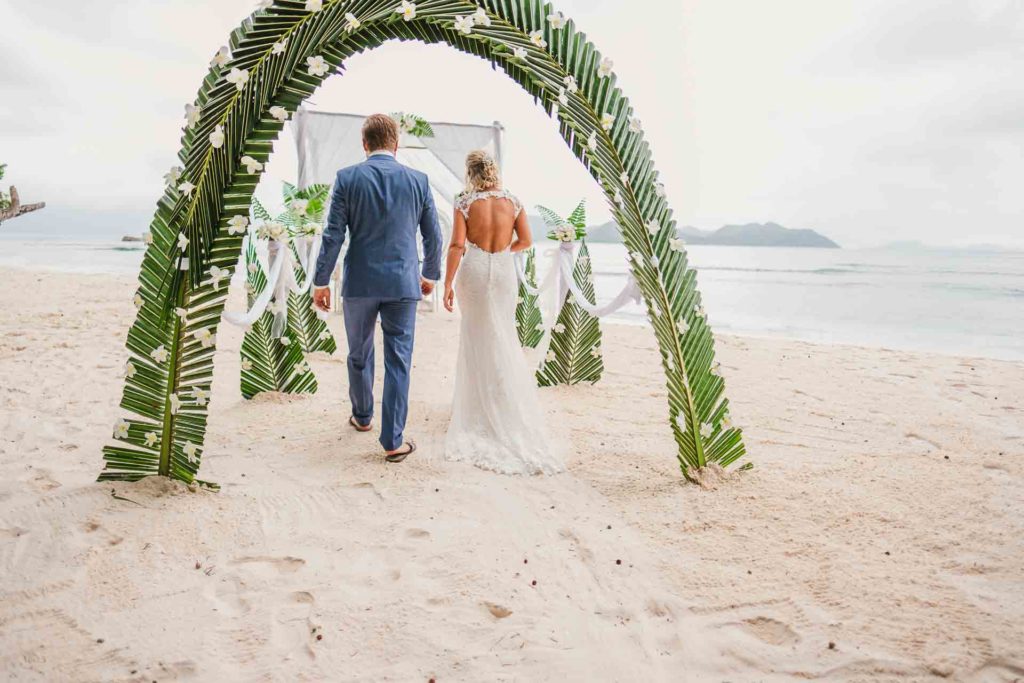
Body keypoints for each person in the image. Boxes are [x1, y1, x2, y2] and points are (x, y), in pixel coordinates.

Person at [312, 113, 443, 463]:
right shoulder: (418, 180)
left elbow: (333, 235)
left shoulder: (347, 178)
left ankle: (363, 416)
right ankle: (392, 440)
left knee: (359, 352)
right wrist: (429, 274)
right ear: (396, 145)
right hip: (403, 281)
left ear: (365, 144)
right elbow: (433, 235)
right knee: (399, 359)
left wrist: (321, 280)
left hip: (360, 282)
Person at [442, 150, 564, 475]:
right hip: (504, 273)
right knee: (502, 334)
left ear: (471, 173)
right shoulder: (513, 201)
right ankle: (504, 403)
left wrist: (447, 284)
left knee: (476, 335)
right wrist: (501, 254)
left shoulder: (464, 202)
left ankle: (477, 407)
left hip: (475, 270)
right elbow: (526, 240)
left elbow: (456, 246)